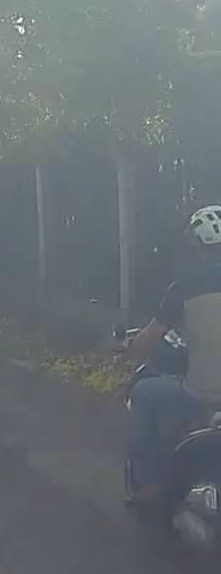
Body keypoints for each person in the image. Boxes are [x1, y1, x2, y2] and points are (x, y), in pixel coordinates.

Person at [125, 204, 221, 506]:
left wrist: (131, 347)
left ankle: (147, 484)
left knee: (142, 393)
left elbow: (152, 335)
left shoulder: (184, 286)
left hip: (206, 392)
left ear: (197, 244)